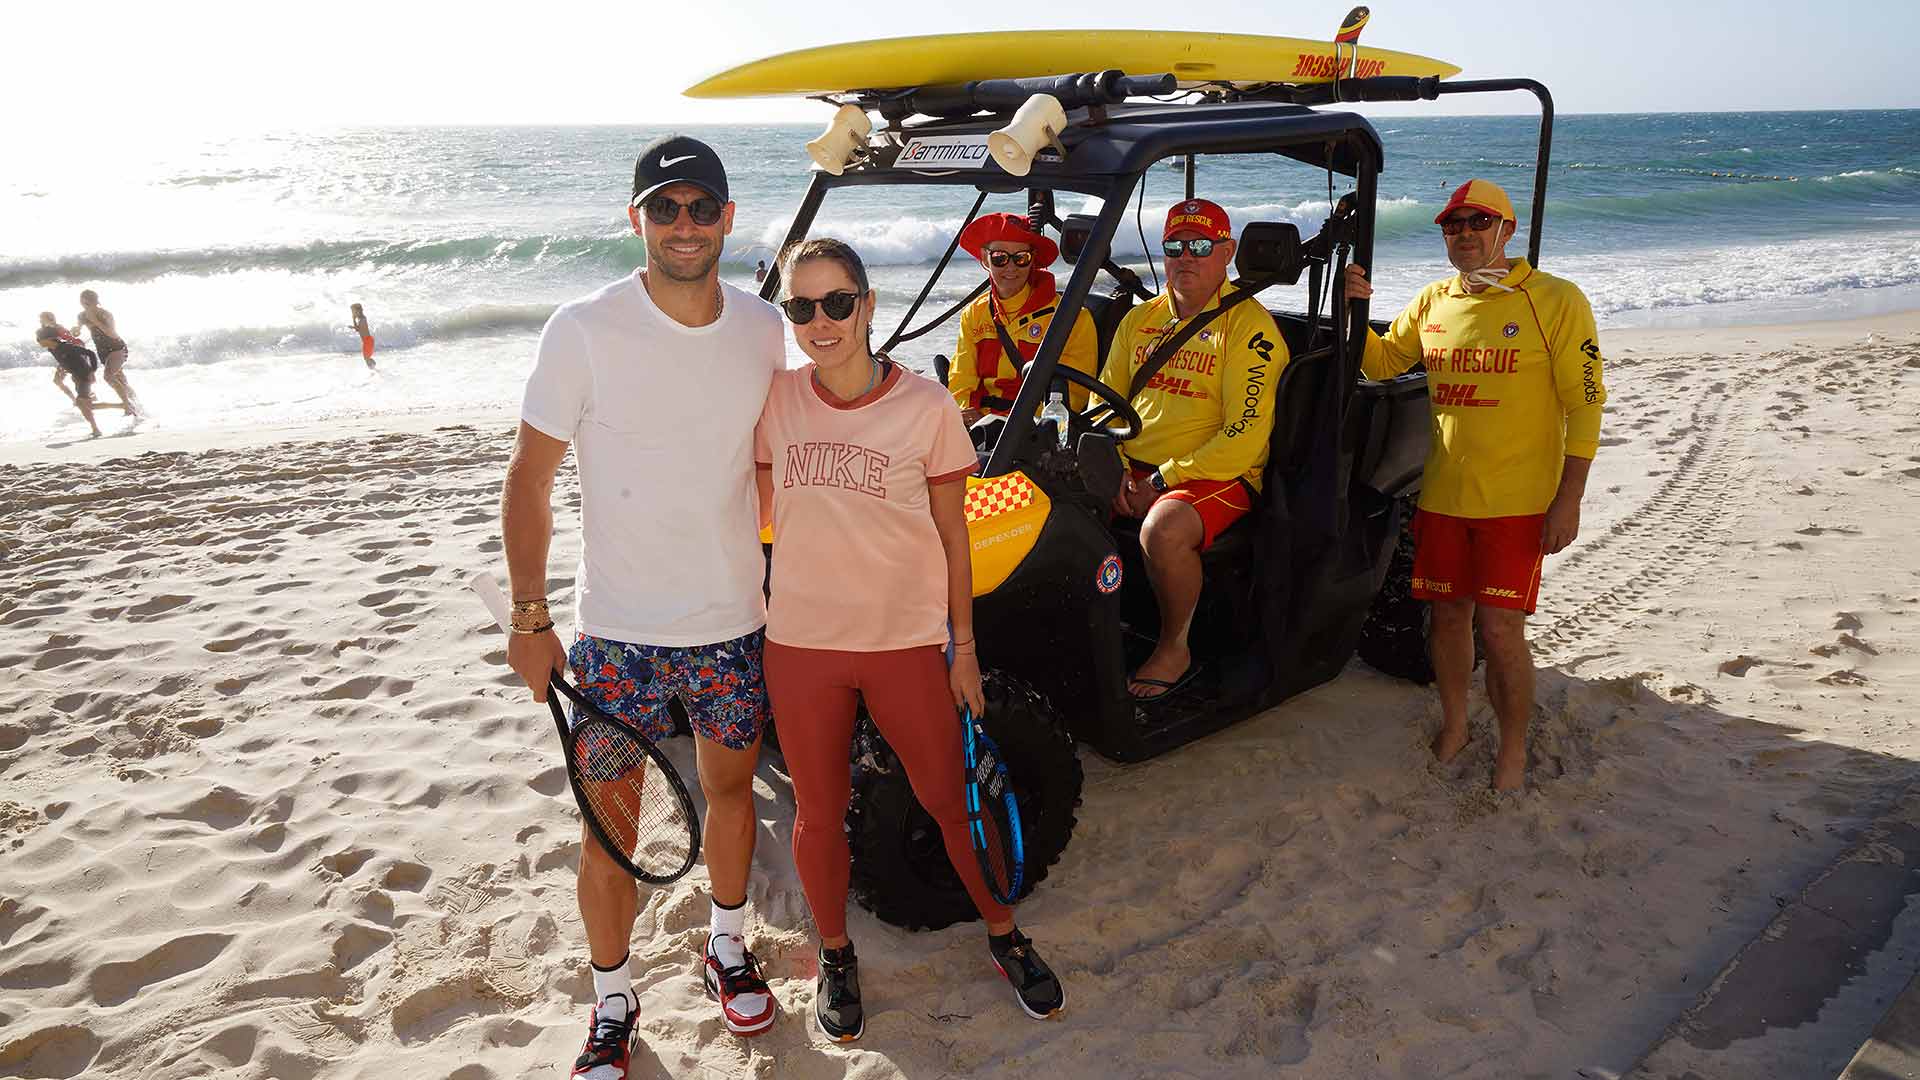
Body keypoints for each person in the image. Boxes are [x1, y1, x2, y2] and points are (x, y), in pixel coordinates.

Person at [501, 134, 785, 1077]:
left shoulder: (760, 327)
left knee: (733, 794)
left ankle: (728, 944)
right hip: (617, 634)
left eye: (702, 207)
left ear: (728, 219)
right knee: (608, 828)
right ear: (637, 219)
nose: (685, 225)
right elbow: (528, 482)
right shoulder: (581, 328)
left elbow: (767, 463)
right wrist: (529, 619)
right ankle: (613, 1001)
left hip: (731, 622)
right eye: (665, 208)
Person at [755, 237, 1066, 1042]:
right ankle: (834, 954)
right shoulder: (774, 401)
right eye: (801, 307)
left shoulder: (926, 406)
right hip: (802, 645)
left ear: (867, 305)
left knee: (950, 798)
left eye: (835, 303)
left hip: (902, 644)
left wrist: (963, 649)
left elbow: (955, 537)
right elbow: (742, 496)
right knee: (818, 814)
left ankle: (1004, 931)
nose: (819, 322)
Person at [1343, 179, 1607, 792]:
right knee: (1445, 619)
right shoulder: (1434, 300)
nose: (1463, 234)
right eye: (1452, 225)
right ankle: (1457, 724)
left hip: (1516, 503)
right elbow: (1382, 362)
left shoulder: (1557, 300)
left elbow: (1586, 402)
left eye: (1477, 223)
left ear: (1506, 230)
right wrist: (1355, 307)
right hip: (1441, 495)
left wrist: (1569, 498)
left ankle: (1512, 750)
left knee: (1500, 630)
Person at [1099, 199, 1287, 698]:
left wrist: (1160, 480)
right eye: (1175, 246)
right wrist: (1113, 464)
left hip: (1217, 476)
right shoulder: (1139, 319)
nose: (1187, 256)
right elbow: (1106, 400)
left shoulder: (1250, 330)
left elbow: (1242, 439)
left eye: (1201, 246)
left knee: (1162, 530)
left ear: (1226, 251)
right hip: (1134, 466)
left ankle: (1174, 646)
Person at [949, 212, 1099, 426]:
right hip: (979, 427)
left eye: (1021, 258)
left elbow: (1073, 395)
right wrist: (964, 415)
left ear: (1033, 259)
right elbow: (960, 380)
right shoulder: (974, 313)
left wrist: (1013, 424)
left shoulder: (1071, 318)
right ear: (984, 258)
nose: (1010, 267)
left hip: (1033, 433)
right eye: (999, 258)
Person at [72, 290, 141, 417]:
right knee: (121, 380)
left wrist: (96, 321)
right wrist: (75, 331)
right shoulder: (81, 316)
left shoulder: (105, 314)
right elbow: (77, 331)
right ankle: (137, 404)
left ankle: (128, 407)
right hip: (102, 351)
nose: (84, 305)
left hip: (117, 348)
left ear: (94, 302)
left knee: (108, 376)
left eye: (87, 303)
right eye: (82, 302)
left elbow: (112, 334)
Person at [36, 327, 103, 438]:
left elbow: (90, 353)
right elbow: (63, 360)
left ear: (49, 338)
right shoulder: (52, 349)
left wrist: (92, 371)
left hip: (84, 375)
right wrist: (61, 369)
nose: (38, 341)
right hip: (76, 376)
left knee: (82, 403)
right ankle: (121, 407)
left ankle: (96, 428)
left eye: (39, 339)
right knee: (85, 405)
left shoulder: (66, 347)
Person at [349, 303, 376, 369]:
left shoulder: (362, 319)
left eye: (353, 312)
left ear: (358, 311)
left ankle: (374, 369)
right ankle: (374, 369)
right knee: (366, 358)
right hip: (367, 340)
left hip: (367, 341)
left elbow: (357, 328)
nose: (353, 314)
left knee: (366, 358)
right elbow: (358, 329)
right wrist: (354, 323)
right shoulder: (361, 319)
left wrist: (353, 319)